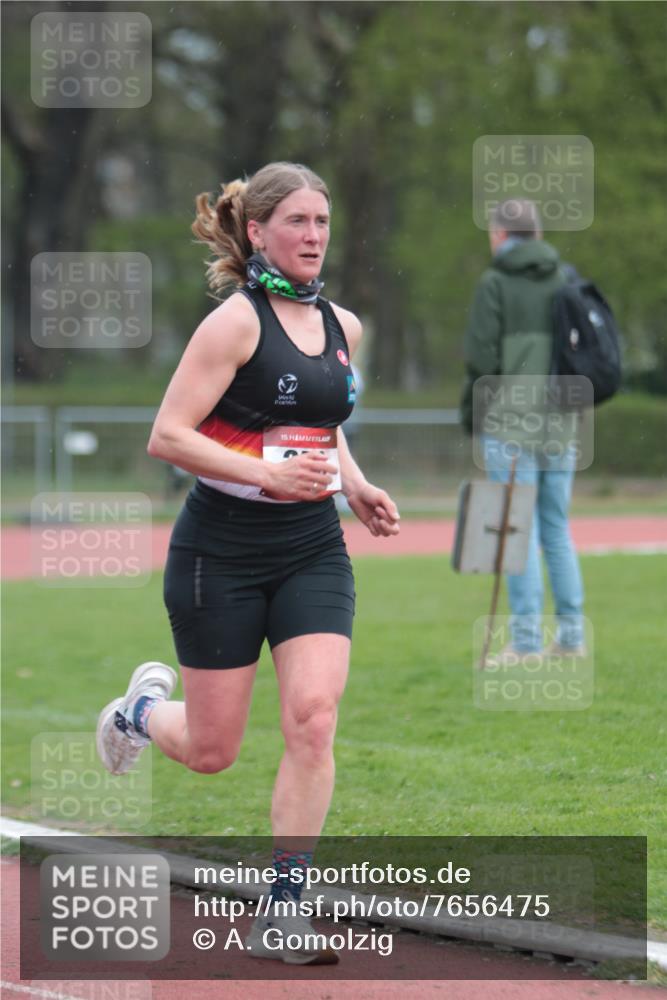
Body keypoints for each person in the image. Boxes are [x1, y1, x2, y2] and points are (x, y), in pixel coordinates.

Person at [96, 161, 400, 964]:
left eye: (322, 223)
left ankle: (284, 909)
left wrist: (356, 486)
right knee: (210, 751)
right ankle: (134, 714)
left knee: (313, 718)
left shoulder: (344, 326)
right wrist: (265, 474)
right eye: (296, 222)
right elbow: (167, 434)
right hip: (218, 553)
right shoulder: (233, 325)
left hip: (312, 550)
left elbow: (321, 422)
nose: (312, 236)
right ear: (257, 231)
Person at [461, 198, 585, 663]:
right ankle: (572, 636)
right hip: (561, 427)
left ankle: (528, 643)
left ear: (500, 234)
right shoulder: (565, 278)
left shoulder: (494, 282)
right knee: (555, 528)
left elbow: (480, 358)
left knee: (518, 532)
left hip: (511, 426)